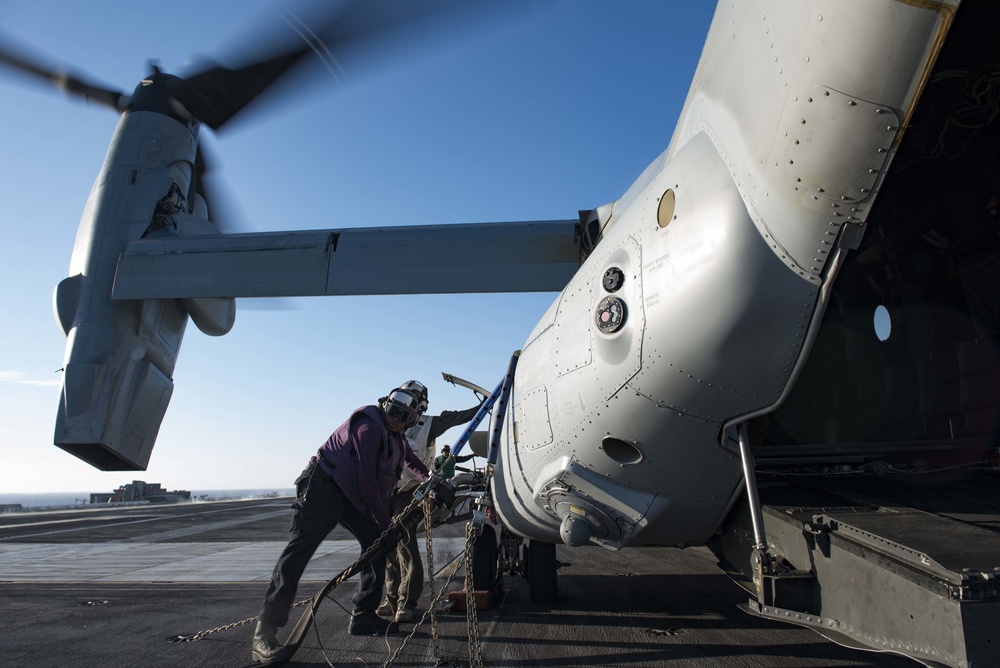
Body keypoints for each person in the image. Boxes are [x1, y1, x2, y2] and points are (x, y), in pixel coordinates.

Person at [252, 386, 432, 665]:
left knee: (376, 543)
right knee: (299, 551)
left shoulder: (396, 436)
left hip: (351, 495)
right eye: (394, 412)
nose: (397, 420)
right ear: (385, 405)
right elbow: (368, 484)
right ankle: (264, 634)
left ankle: (363, 615)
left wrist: (430, 478)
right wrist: (388, 524)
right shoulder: (368, 429)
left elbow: (409, 458)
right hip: (324, 487)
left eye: (404, 418)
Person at [377, 387, 483, 623]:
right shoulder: (386, 426)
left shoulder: (430, 424)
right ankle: (391, 599)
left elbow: (461, 417)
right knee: (387, 546)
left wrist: (484, 404)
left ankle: (407, 602)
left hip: (412, 489)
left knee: (404, 540)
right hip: (387, 491)